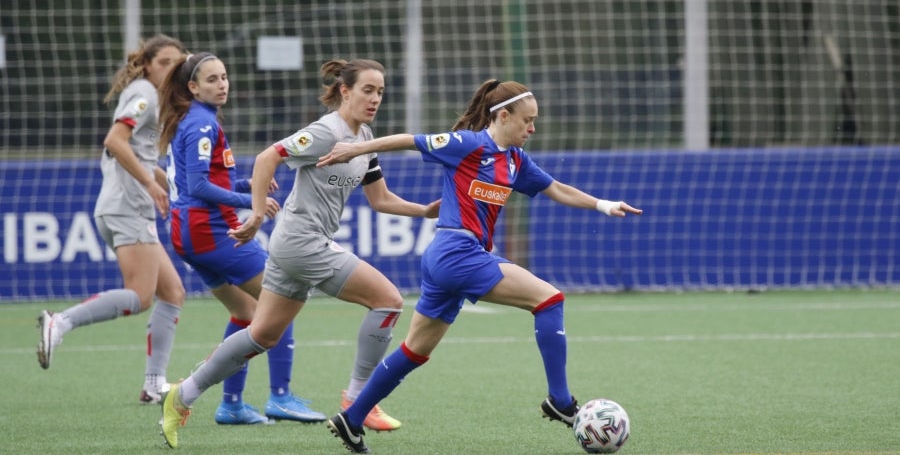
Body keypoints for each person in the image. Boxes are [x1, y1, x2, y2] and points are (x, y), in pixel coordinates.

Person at [318, 79, 643, 454]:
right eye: (527, 120)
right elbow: (409, 139)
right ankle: (560, 400)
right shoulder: (470, 145)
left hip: (450, 258)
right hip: (458, 253)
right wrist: (356, 148)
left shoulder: (516, 160)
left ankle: (352, 418)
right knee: (548, 301)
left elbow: (557, 189)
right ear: (503, 116)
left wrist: (604, 204)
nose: (532, 128)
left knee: (415, 350)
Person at [158, 58, 440, 449]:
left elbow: (381, 199)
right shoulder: (326, 132)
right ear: (345, 91)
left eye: (380, 92)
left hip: (298, 245)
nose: (375, 99)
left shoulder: (366, 138)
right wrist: (256, 213)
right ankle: (359, 400)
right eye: (367, 90)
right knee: (388, 301)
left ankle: (183, 394)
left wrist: (424, 211)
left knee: (262, 334)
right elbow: (267, 158)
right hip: (302, 243)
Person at [156, 51, 325, 430]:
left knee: (247, 314)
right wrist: (252, 200)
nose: (222, 85)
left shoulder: (196, 119)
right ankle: (281, 397)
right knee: (284, 298)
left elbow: (196, 183)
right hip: (209, 229)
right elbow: (198, 187)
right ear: (193, 87)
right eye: (212, 79)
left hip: (189, 232)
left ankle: (231, 406)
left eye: (224, 77)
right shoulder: (202, 124)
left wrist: (244, 184)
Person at [37, 34, 188, 404]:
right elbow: (115, 141)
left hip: (127, 205)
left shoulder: (155, 96)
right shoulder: (145, 94)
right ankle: (61, 322)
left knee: (173, 293)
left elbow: (140, 156)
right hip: (125, 206)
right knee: (140, 296)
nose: (172, 69)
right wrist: (150, 186)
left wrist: (163, 183)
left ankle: (154, 384)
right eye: (164, 62)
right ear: (148, 65)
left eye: (177, 63)